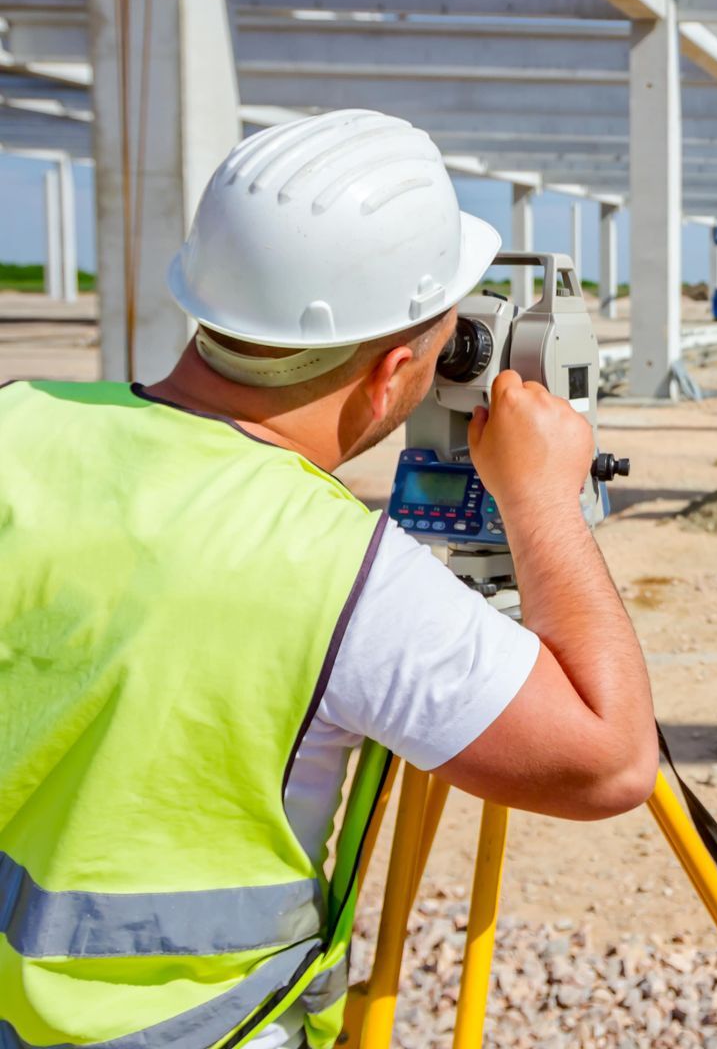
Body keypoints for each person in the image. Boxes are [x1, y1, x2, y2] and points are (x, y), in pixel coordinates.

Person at [0, 110, 657, 1049]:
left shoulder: (21, 421)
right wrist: (544, 499)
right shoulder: (342, 571)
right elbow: (613, 761)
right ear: (394, 373)